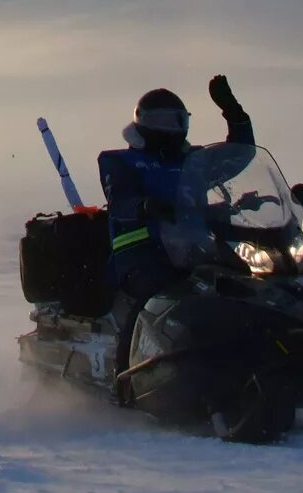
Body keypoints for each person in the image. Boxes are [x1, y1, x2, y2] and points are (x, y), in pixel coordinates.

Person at [97, 76, 255, 348]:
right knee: (155, 298)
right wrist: (143, 205)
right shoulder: (120, 162)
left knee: (244, 283)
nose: (172, 129)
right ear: (143, 122)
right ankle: (126, 370)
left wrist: (234, 113)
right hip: (141, 255)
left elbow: (238, 156)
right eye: (163, 121)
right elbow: (119, 200)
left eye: (178, 120)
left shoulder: (193, 161)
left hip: (194, 248)